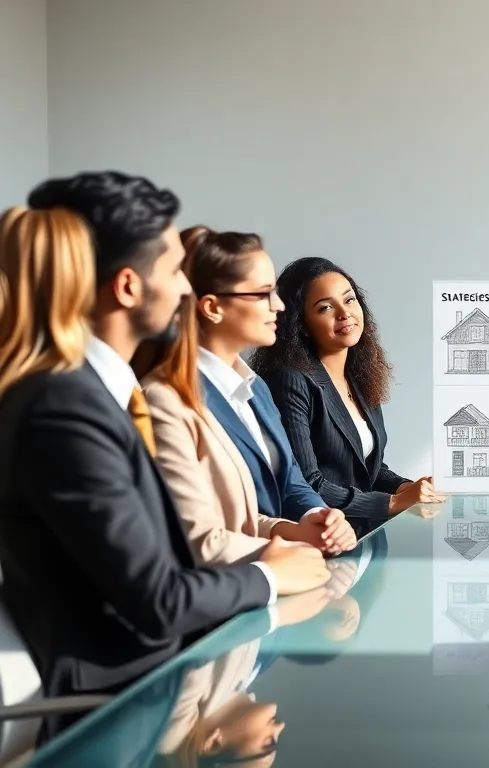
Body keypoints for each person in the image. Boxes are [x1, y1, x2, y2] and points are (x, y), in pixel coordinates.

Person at [0, 173, 329, 740]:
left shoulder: (98, 394)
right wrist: (269, 575)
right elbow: (159, 600)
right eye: (176, 269)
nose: (185, 290)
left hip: (162, 692)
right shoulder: (63, 406)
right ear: (128, 287)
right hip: (118, 717)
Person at [134, 227, 358, 565]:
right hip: (231, 588)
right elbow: (198, 536)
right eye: (264, 293)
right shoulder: (165, 399)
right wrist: (286, 550)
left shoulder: (256, 388)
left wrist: (319, 518)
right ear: (212, 307)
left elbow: (288, 481)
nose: (279, 306)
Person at [251, 256, 441, 535]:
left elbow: (369, 470)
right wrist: (394, 502)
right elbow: (306, 484)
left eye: (349, 300)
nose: (345, 313)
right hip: (322, 540)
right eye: (325, 307)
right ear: (300, 323)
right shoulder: (290, 379)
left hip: (366, 537)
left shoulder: (359, 375)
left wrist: (408, 488)